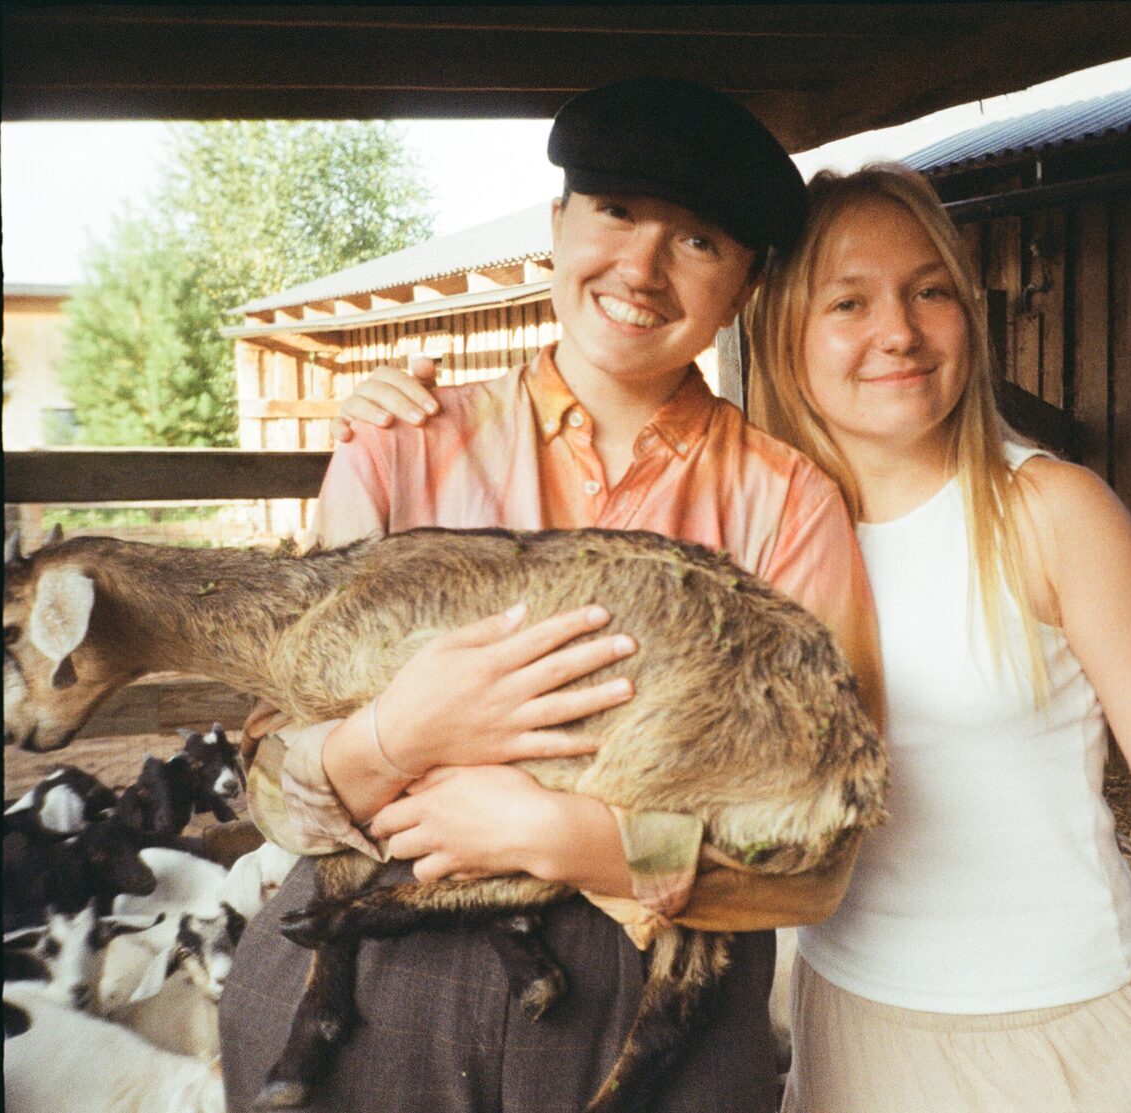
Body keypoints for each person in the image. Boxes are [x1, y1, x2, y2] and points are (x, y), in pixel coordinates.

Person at [339, 164, 1131, 1110]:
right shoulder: (754, 535)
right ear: (784, 328)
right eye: (849, 303)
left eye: (930, 291)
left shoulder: (1049, 510)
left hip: (1068, 1018)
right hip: (855, 1029)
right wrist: (406, 423)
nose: (900, 332)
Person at [219, 78, 882, 1113]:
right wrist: (391, 738)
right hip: (370, 967)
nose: (643, 269)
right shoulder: (401, 452)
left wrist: (565, 837)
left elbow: (819, 849)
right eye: (615, 212)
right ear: (558, 223)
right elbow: (270, 780)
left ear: (746, 284)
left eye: (698, 241)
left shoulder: (785, 505)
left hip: (654, 1001)